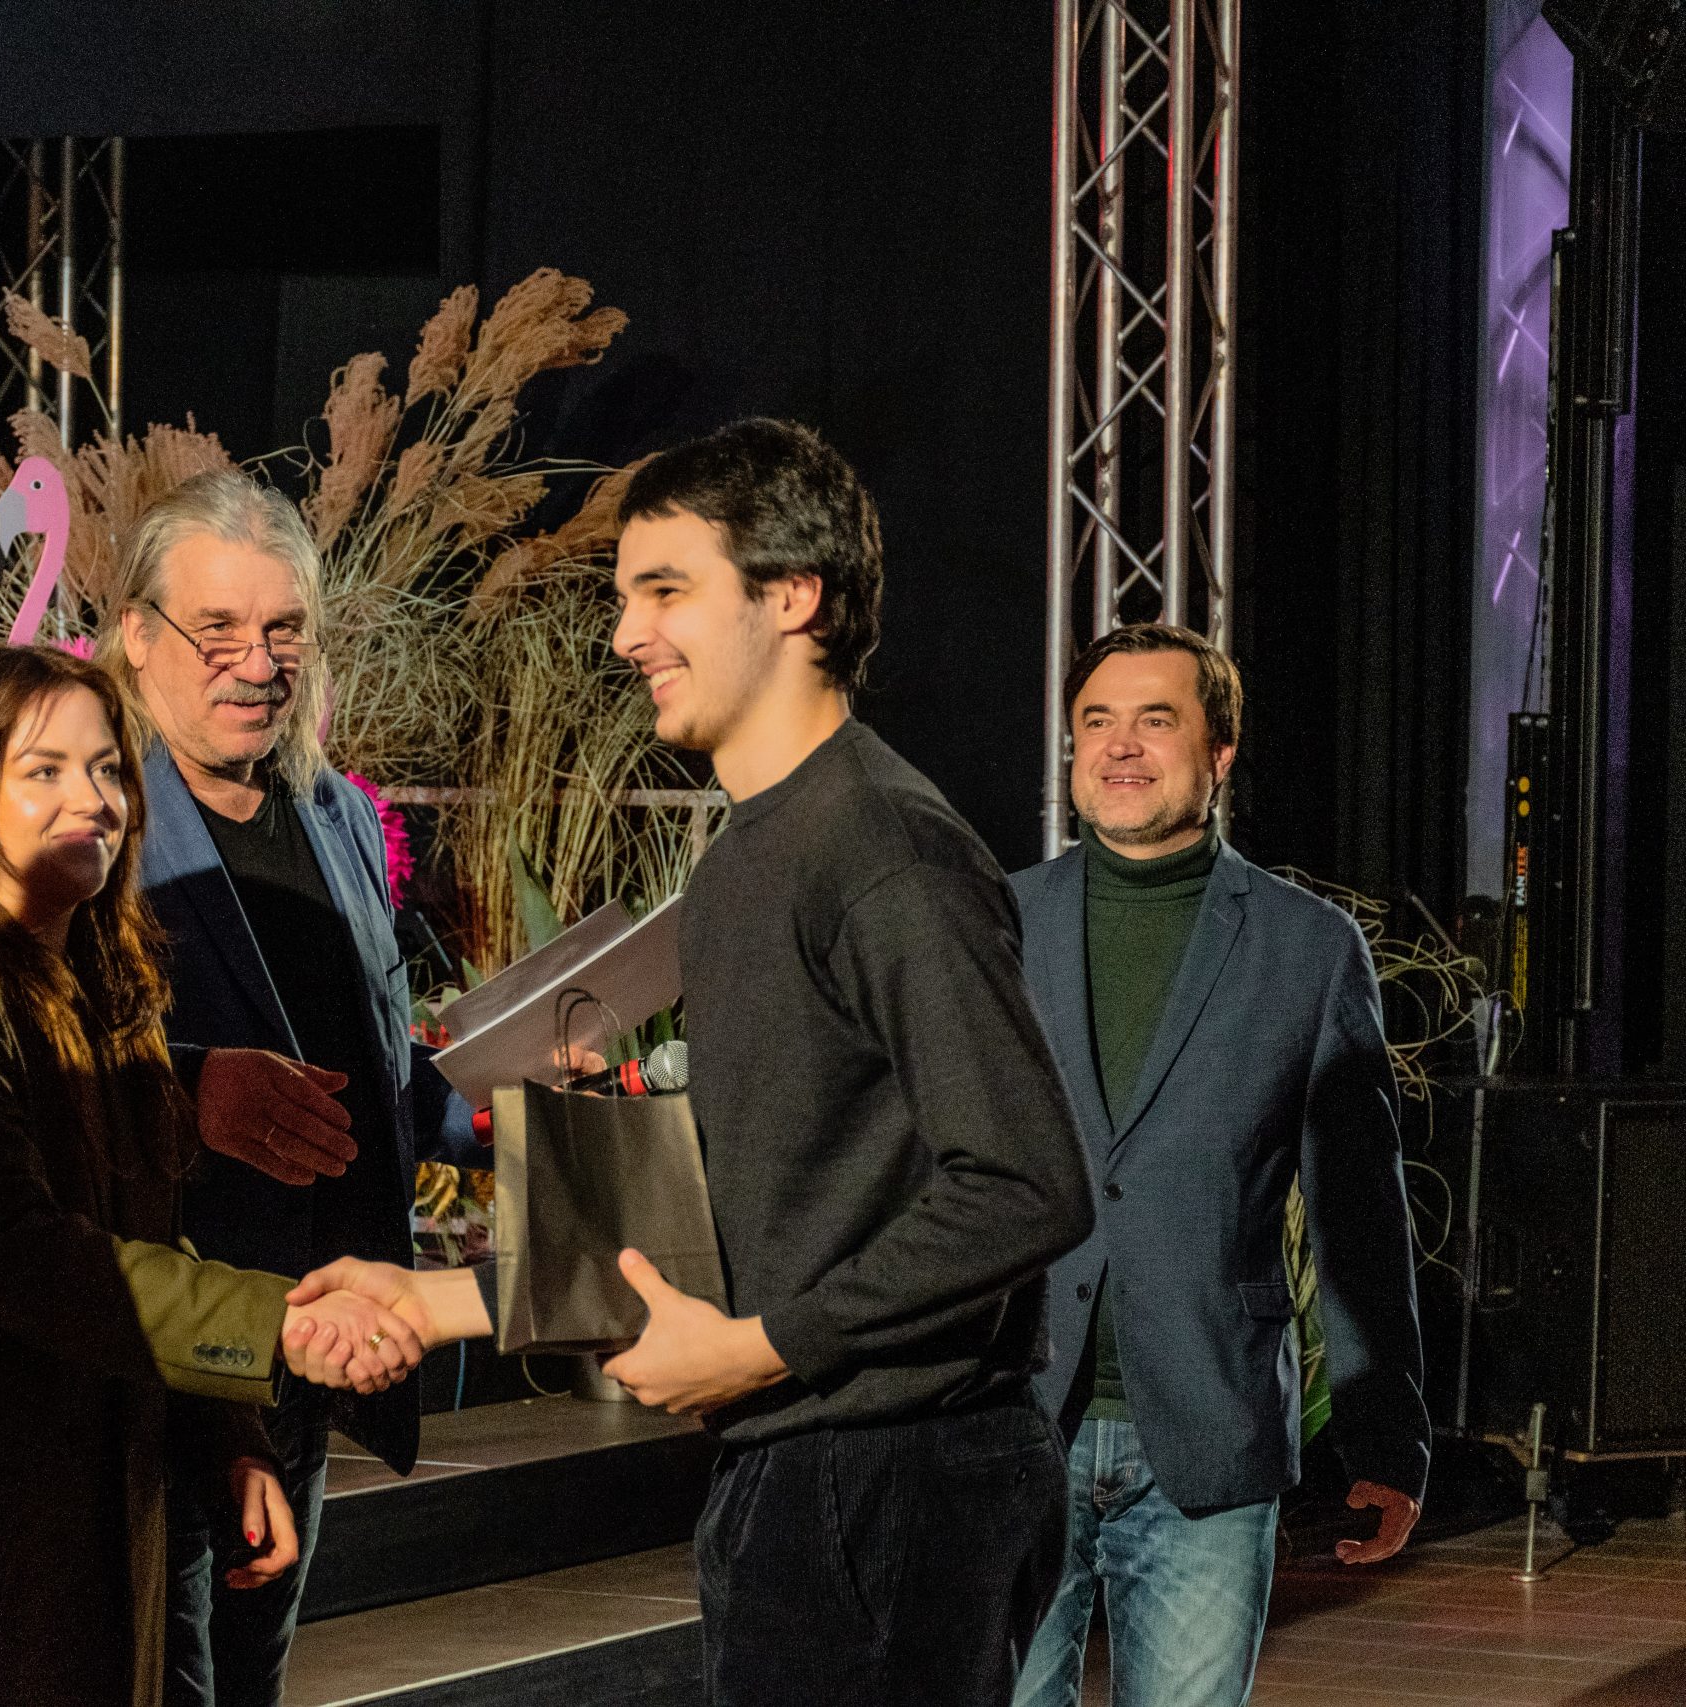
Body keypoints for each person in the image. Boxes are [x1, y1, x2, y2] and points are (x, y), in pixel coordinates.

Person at [298, 419, 1098, 1704]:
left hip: (889, 1476)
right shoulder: (745, 858)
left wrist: (768, 1345)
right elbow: (748, 1206)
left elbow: (1025, 1185)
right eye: (625, 597)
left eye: (665, 590)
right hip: (808, 1465)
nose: (626, 634)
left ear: (792, 596)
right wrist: (441, 1301)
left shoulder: (883, 849)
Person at [0, 645, 435, 1707]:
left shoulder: (100, 986)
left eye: (108, 769)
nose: (93, 799)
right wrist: (279, 1322)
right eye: (44, 770)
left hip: (84, 1555)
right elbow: (19, 1253)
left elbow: (147, 1230)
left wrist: (228, 1442)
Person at [99, 471, 486, 1707]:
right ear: (137, 636)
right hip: (154, 1358)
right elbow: (23, 1067)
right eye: (217, 630)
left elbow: (374, 1069)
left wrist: (503, 1105)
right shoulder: (88, 814)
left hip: (310, 1349)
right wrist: (192, 1089)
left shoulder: (339, 817)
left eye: (282, 630)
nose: (256, 664)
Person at [1007, 624, 1429, 1707]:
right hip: (1012, 1421)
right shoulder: (999, 923)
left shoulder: (1307, 947)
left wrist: (1386, 1437)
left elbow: (1358, 1211)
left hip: (1208, 1430)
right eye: (1096, 721)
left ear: (1221, 751)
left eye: (1156, 720)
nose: (1120, 745)